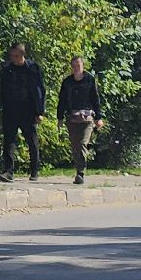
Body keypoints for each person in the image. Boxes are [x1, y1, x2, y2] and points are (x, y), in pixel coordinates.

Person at [0, 42, 45, 181]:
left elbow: (39, 90)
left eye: (16, 55)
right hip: (11, 109)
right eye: (11, 55)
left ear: (22, 55)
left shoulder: (32, 68)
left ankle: (35, 170)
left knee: (32, 140)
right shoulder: (7, 69)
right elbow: (3, 90)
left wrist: (40, 111)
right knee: (9, 141)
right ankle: (8, 171)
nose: (13, 58)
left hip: (28, 109)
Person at [57, 56, 104, 185]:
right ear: (71, 67)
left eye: (79, 65)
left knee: (83, 143)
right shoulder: (67, 82)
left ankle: (80, 173)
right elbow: (62, 100)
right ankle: (78, 169)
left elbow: (95, 98)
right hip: (72, 118)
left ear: (83, 66)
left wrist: (98, 118)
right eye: (74, 66)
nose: (76, 68)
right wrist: (60, 118)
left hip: (87, 118)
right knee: (75, 146)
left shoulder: (89, 79)